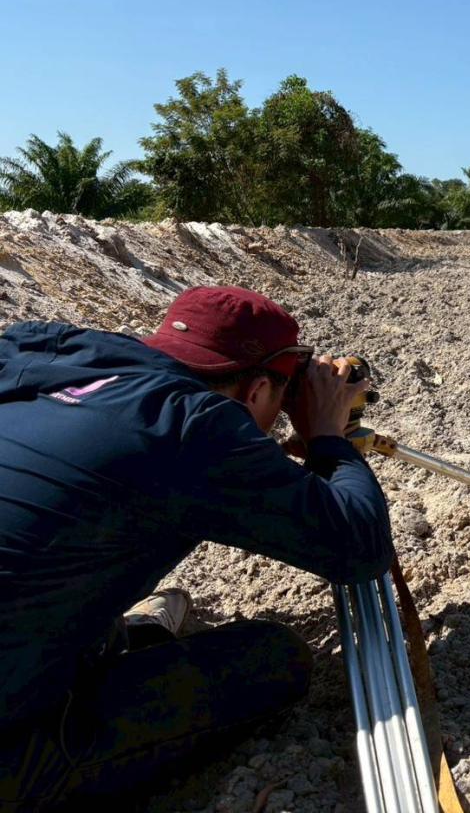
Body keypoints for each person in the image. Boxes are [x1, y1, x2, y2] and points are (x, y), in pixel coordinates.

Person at [0, 285, 395, 811]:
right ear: (256, 392)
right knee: (270, 659)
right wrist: (327, 437)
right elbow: (359, 545)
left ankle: (110, 640)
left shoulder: (45, 358)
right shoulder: (193, 426)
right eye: (280, 399)